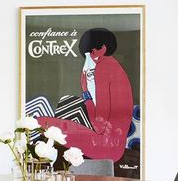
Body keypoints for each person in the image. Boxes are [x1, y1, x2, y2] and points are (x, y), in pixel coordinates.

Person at [38, 28, 134, 162]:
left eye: (92, 53)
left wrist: (85, 92)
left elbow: (100, 125)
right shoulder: (115, 67)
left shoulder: (103, 67)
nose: (89, 60)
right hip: (114, 146)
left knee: (39, 123)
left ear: (102, 49)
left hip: (104, 146)